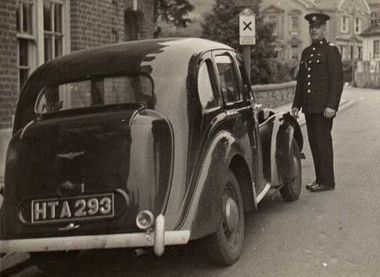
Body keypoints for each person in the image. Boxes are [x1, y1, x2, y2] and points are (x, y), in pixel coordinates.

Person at [291, 12, 344, 192]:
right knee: (314, 143)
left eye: (317, 27)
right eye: (311, 27)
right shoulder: (306, 52)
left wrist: (332, 105)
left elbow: (337, 81)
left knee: (323, 142)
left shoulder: (331, 50)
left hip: (324, 108)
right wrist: (296, 105)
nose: (313, 30)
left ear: (324, 28)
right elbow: (301, 81)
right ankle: (320, 179)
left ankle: (327, 181)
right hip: (310, 107)